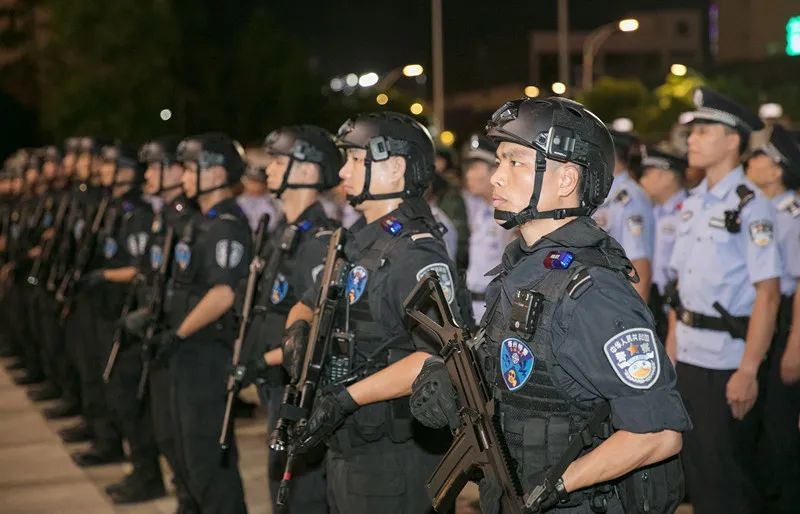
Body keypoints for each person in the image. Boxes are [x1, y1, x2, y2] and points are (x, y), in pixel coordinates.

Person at [411, 97, 690, 514]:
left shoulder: (593, 291)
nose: (496, 177)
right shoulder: (523, 268)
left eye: (515, 162)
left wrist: (556, 487)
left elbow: (658, 433)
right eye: (498, 161)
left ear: (565, 180)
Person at [278, 112, 463, 513]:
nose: (343, 169)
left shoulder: (416, 253)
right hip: (350, 445)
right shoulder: (358, 242)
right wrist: (296, 332)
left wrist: (346, 399)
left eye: (357, 160)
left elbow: (434, 356)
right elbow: (307, 301)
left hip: (394, 457)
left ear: (396, 168)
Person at [667, 87, 781, 514]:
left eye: (703, 130)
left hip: (728, 361)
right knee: (698, 473)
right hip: (691, 357)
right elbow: (682, 291)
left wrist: (749, 370)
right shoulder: (693, 203)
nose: (691, 139)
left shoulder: (751, 207)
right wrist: (671, 355)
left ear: (732, 139)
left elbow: (767, 295)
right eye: (691, 131)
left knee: (728, 478)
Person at [154, 133, 251, 514]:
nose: (185, 174)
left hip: (206, 352)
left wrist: (177, 333)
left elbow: (224, 293)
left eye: (193, 168)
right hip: (187, 350)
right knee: (187, 452)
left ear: (217, 174)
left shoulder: (226, 224)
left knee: (209, 459)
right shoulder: (200, 220)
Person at [250, 124, 341, 513]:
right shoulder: (284, 231)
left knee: (297, 493)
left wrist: (261, 360)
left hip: (295, 384)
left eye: (278, 161)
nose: (268, 169)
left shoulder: (318, 238)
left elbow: (315, 324)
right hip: (273, 378)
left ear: (306, 171)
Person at [72, 143, 157, 478]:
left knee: (126, 393)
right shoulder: (112, 206)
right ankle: (119, 452)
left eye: (109, 165)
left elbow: (139, 267)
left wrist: (104, 275)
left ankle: (145, 471)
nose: (102, 170)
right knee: (105, 384)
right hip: (103, 308)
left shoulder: (137, 211)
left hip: (123, 312)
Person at [744, 124, 800, 514]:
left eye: (761, 156)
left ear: (778, 169)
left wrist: (794, 346)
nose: (753, 161)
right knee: (758, 424)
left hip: (784, 325)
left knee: (780, 425)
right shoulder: (755, 207)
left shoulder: (791, 213)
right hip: (755, 323)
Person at [591, 127, 654, 301]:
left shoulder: (629, 197)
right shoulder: (605, 194)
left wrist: (634, 322)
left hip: (618, 302)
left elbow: (639, 265)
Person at [461, 133, 516, 322]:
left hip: (494, 310)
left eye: (475, 168)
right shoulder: (480, 210)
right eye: (468, 168)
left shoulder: (508, 217)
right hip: (473, 307)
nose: (468, 174)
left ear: (494, 170)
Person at [638, 145, 688, 341]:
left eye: (650, 173)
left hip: (674, 301)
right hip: (652, 297)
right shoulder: (653, 210)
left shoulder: (686, 212)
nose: (643, 179)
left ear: (668, 177)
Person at [236, 164, 280, 233]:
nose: (251, 185)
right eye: (249, 180)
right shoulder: (239, 201)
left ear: (264, 183)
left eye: (256, 181)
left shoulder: (275, 202)